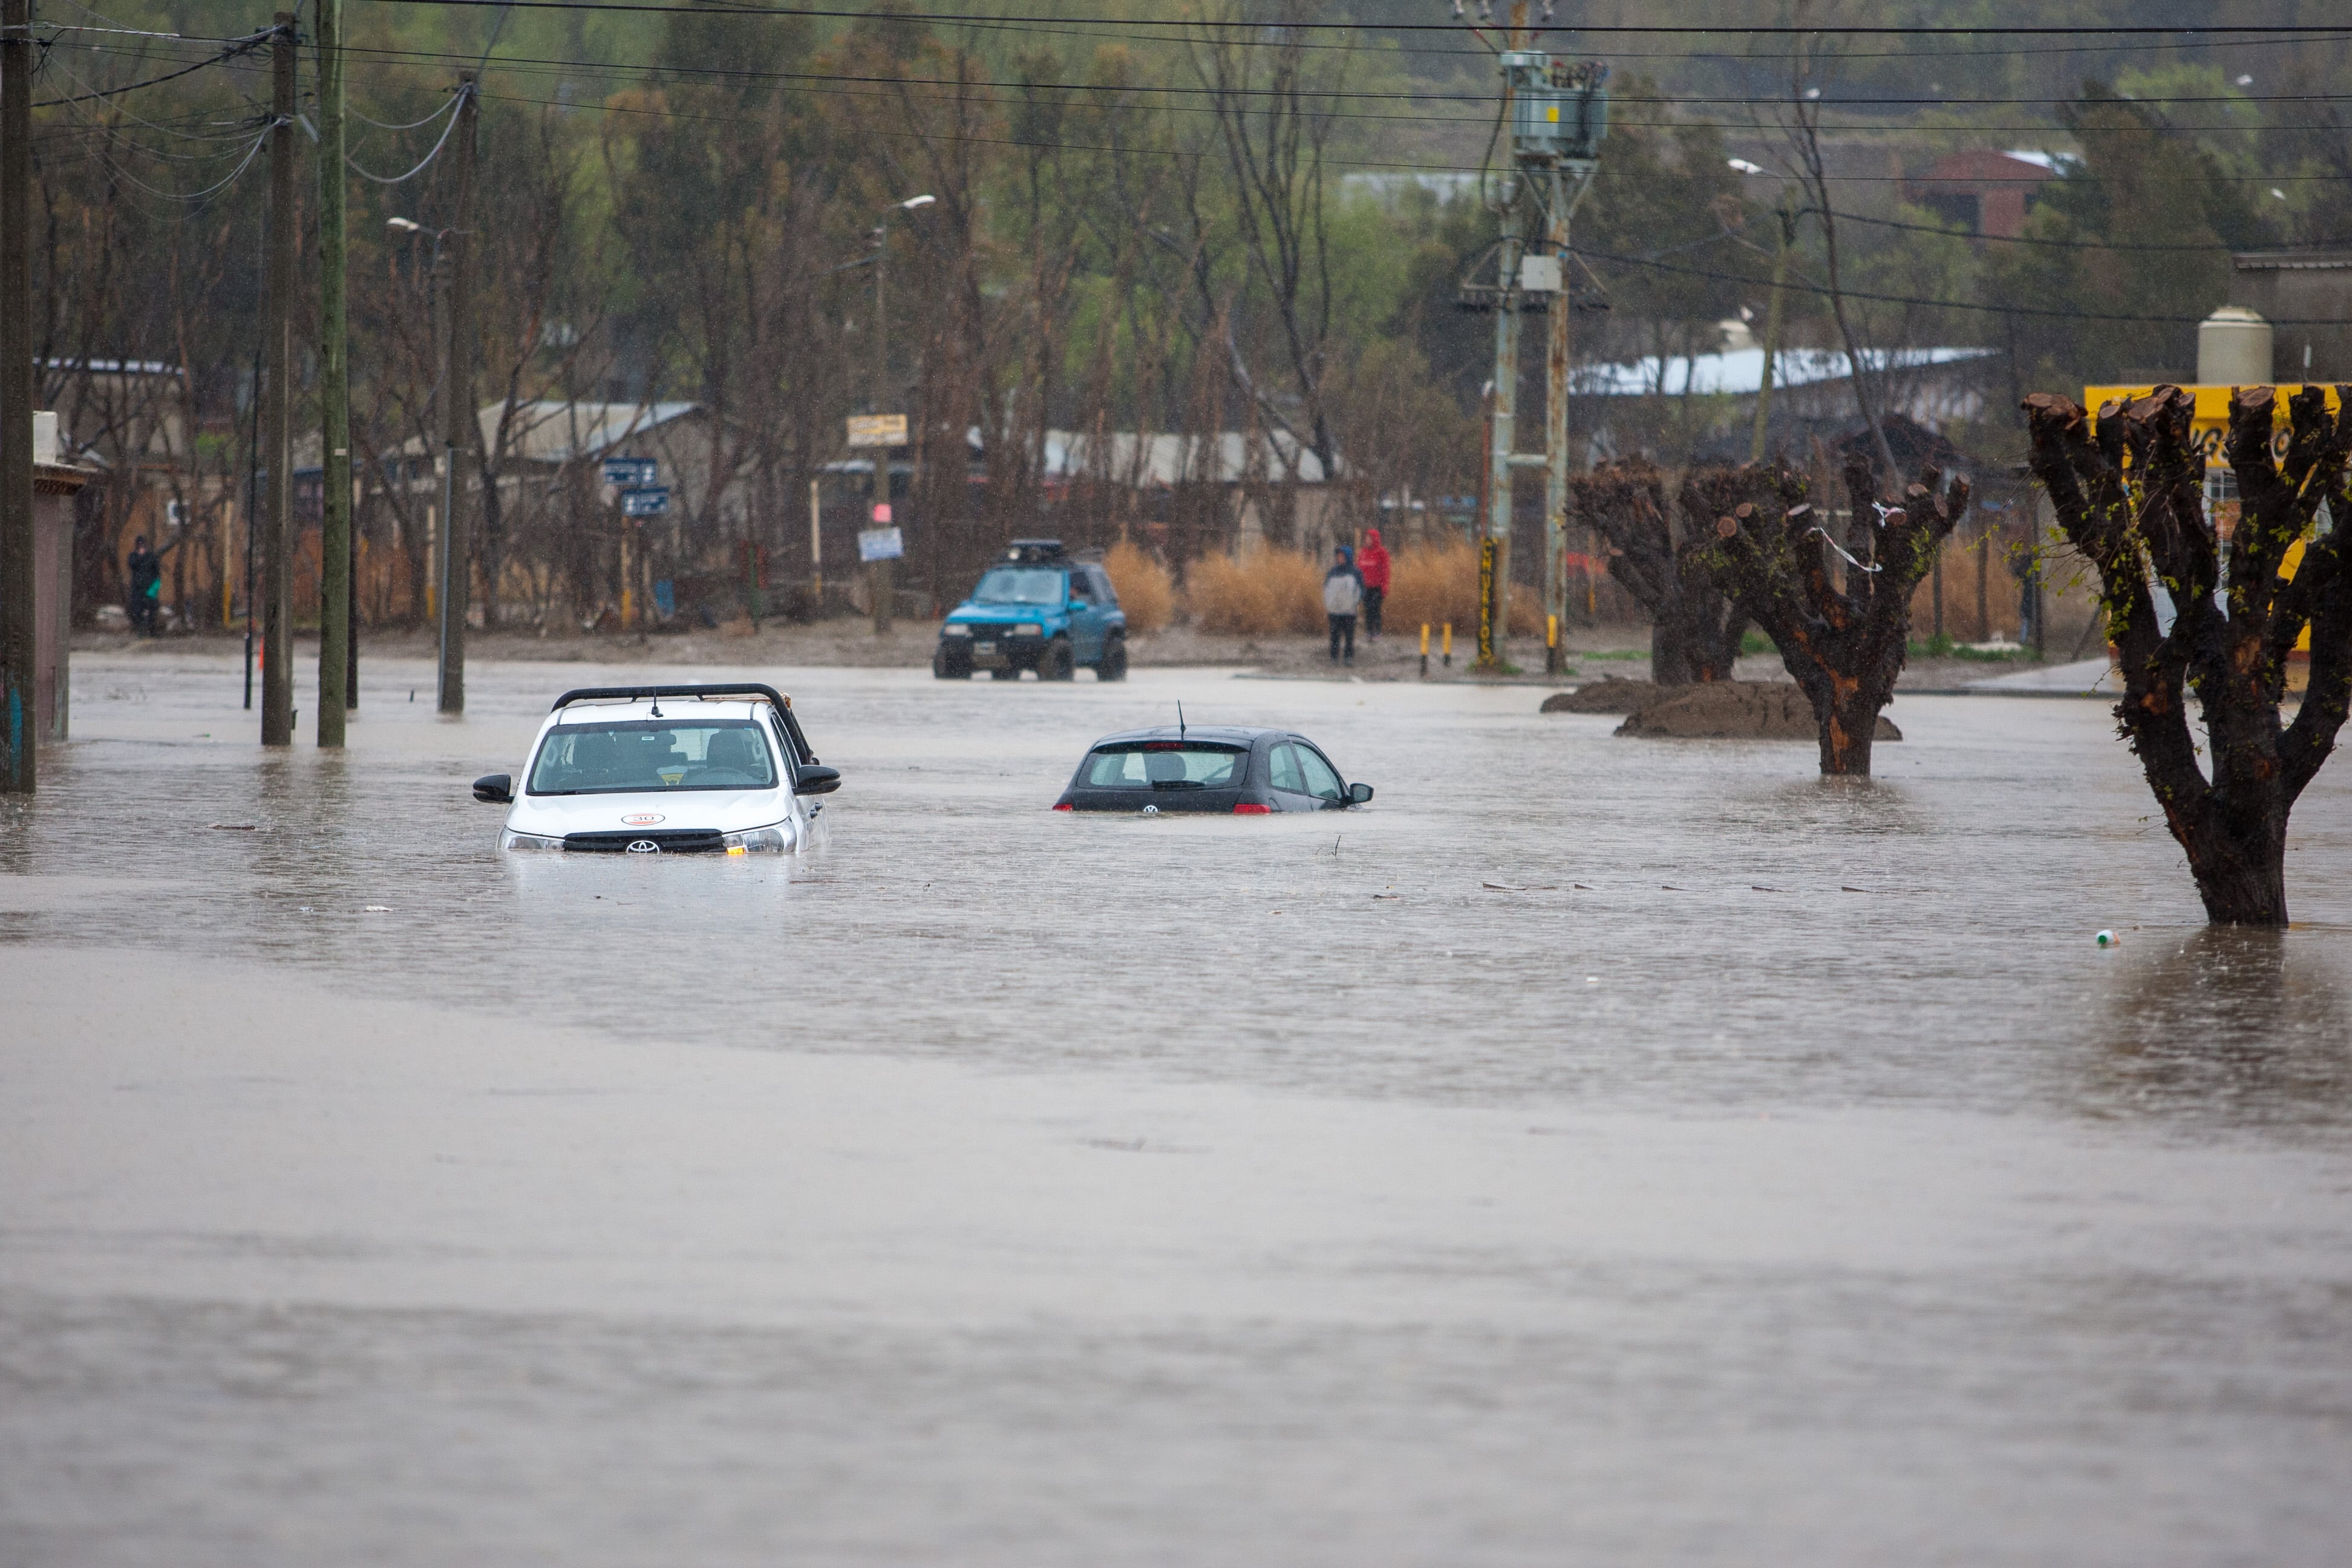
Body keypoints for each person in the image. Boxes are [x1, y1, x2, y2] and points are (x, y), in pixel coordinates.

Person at [1322, 544, 1364, 667]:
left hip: (1349, 611)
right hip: (1334, 610)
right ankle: (1334, 657)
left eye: (1342, 556)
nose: (1339, 558)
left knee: (1349, 636)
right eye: (1338, 556)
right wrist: (1329, 603)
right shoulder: (1333, 572)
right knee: (1335, 635)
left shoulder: (1355, 572)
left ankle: (1348, 657)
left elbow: (1361, 590)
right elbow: (1327, 589)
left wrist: (1354, 602)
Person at [1356, 526, 1391, 639]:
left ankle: (1377, 631)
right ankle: (1369, 631)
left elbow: (1386, 570)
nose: (1368, 541)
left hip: (1377, 587)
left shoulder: (1381, 553)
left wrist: (1385, 585)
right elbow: (1359, 569)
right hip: (1366, 587)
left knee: (1375, 609)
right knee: (1367, 610)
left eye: (1370, 538)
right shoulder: (1363, 553)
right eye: (1366, 538)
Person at [125, 535, 162, 636]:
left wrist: (156, 586)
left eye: (143, 544)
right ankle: (141, 630)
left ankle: (152, 630)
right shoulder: (133, 556)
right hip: (137, 588)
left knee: (152, 609)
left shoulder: (151, 556)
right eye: (139, 544)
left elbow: (156, 572)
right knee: (138, 609)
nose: (141, 546)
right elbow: (132, 565)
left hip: (150, 587)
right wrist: (140, 556)